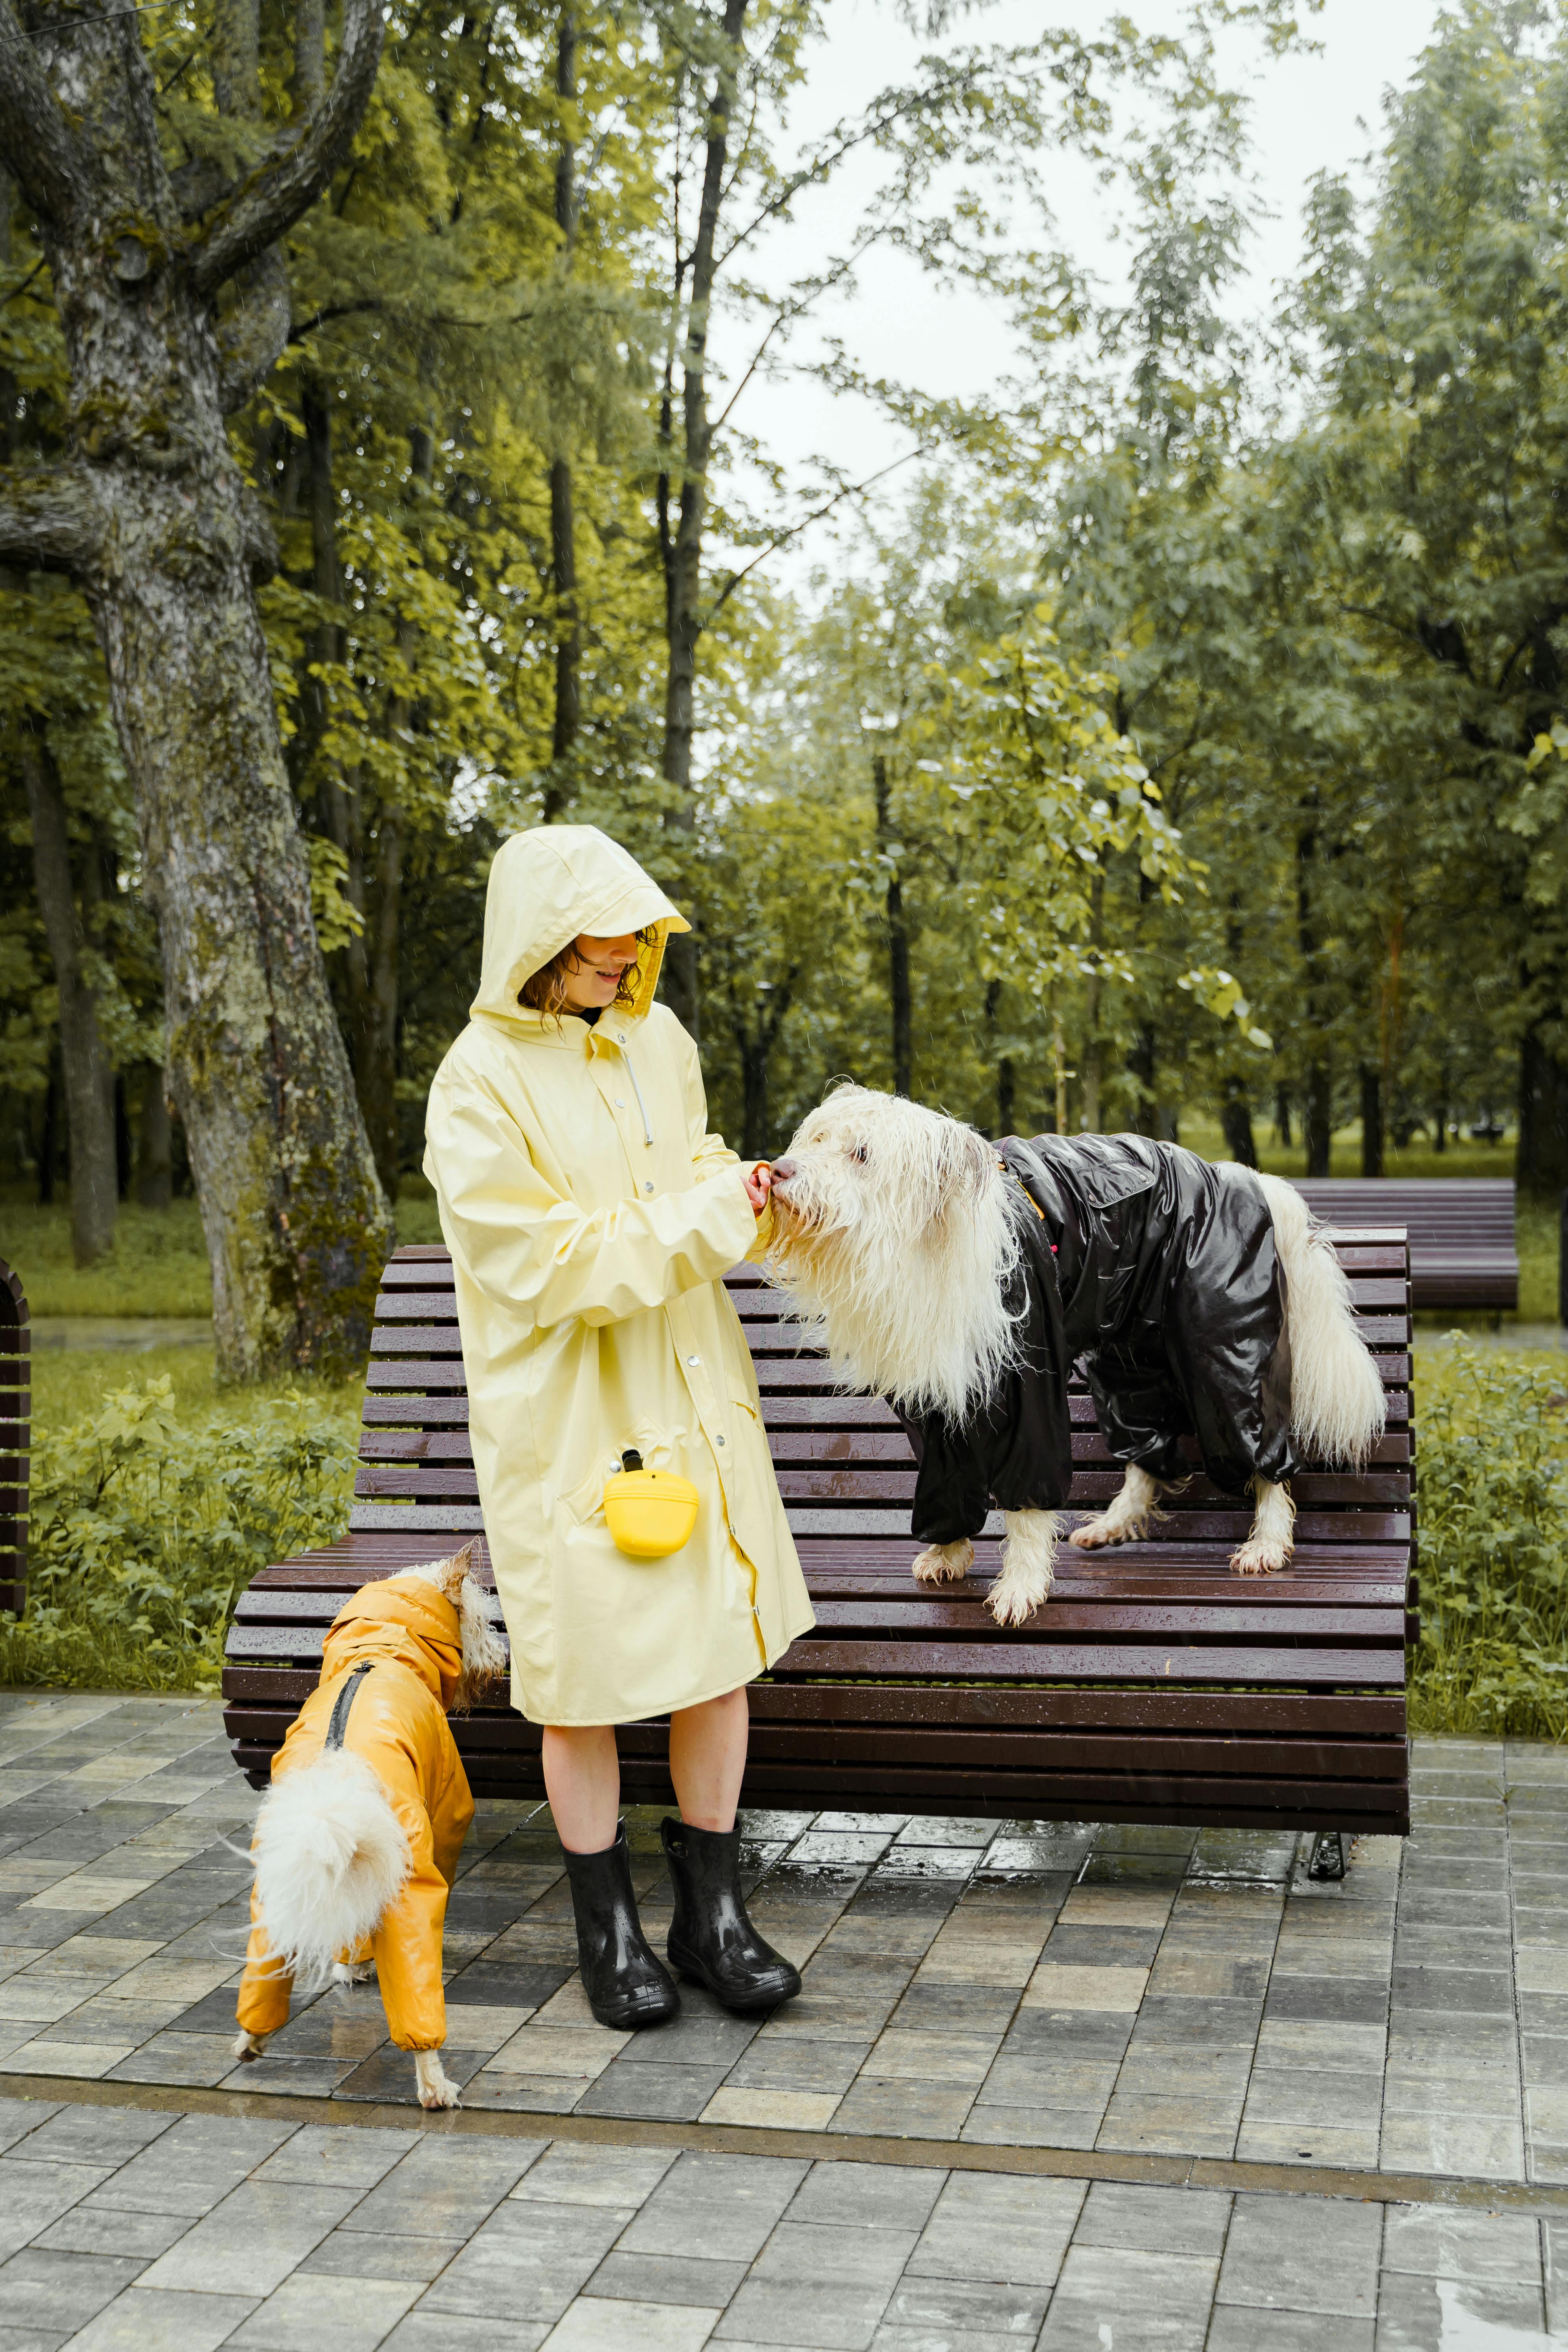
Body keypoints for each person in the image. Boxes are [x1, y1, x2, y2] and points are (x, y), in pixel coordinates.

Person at [423, 825, 816, 2029]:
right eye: (595, 945)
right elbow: (548, 1266)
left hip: (693, 1385)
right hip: (573, 1413)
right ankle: (608, 1932)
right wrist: (708, 1219)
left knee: (717, 1652)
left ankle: (713, 1916)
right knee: (582, 1678)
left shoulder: (660, 1039)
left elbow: (687, 1159)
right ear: (536, 941)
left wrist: (736, 1183)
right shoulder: (474, 1084)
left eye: (633, 938)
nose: (621, 961)